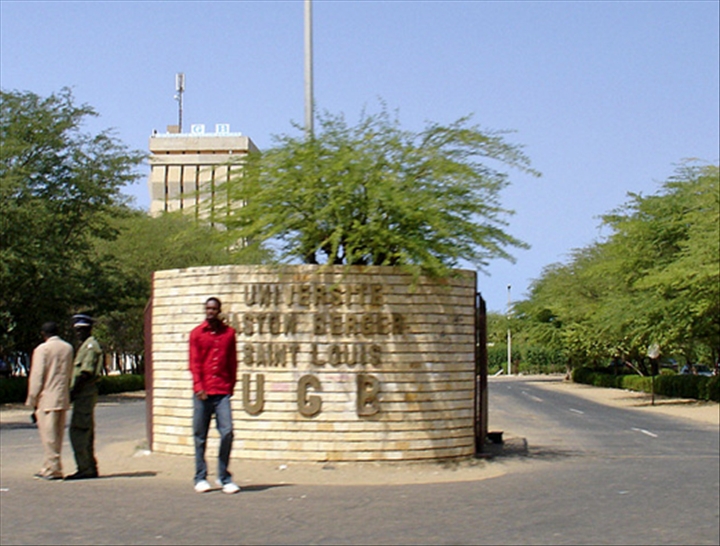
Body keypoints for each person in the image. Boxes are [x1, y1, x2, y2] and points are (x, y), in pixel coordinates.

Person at [189, 297, 240, 494]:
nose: (211, 312)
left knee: (227, 431)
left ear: (219, 311)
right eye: (208, 309)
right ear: (205, 310)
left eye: (214, 309)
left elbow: (232, 361)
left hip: (222, 391)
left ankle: (223, 476)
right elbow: (194, 363)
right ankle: (200, 476)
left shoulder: (228, 334)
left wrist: (231, 385)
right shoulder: (196, 334)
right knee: (200, 435)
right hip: (203, 391)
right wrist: (198, 387)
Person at [25, 322, 74, 480]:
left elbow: (37, 377)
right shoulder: (68, 348)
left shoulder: (42, 350)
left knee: (48, 436)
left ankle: (54, 468)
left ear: (43, 334)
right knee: (57, 435)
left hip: (47, 398)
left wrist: (32, 399)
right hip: (62, 396)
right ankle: (48, 466)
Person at [67, 314, 104, 480]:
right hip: (84, 394)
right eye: (77, 330)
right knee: (85, 431)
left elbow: (85, 373)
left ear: (88, 329)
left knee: (79, 431)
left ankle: (85, 467)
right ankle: (88, 466)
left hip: (84, 393)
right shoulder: (85, 346)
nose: (78, 334)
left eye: (81, 330)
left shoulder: (90, 347)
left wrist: (73, 393)